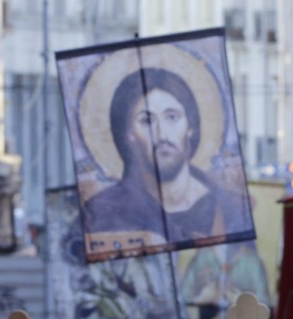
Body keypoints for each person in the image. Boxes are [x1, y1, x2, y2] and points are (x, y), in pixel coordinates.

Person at [83, 67, 250, 249]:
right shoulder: (105, 212)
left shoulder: (230, 208)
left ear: (190, 127)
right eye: (147, 121)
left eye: (172, 117)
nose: (162, 135)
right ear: (129, 134)